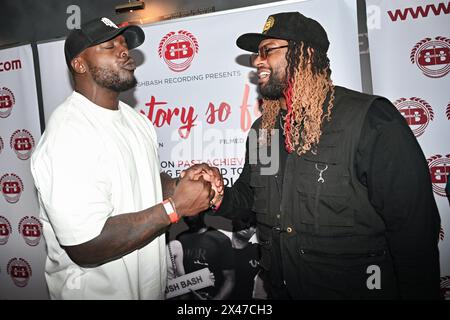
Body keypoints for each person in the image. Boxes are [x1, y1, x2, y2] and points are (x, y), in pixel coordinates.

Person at [193, 12, 442, 299]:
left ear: (305, 54)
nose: (258, 61)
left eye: (267, 50)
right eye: (256, 55)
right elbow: (251, 201)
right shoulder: (265, 131)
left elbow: (413, 229)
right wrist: (218, 195)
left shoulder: (370, 119)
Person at [30, 17, 215, 299]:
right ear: (79, 64)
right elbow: (85, 245)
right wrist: (174, 207)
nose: (124, 51)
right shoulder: (68, 135)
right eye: (109, 46)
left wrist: (182, 184)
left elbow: (144, 184)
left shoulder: (136, 120)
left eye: (124, 44)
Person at [177, 213, 235, 300]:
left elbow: (230, 278)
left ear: (202, 212)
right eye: (185, 214)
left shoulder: (220, 239)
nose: (188, 217)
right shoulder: (180, 239)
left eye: (192, 213)